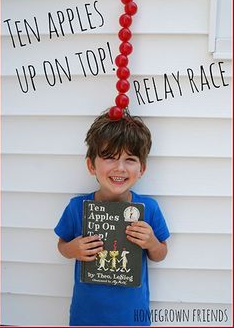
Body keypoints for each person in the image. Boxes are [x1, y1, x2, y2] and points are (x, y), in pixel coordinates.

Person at [54, 110, 170, 326]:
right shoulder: (77, 207)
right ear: (91, 166)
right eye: (109, 157)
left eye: (130, 159)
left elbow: (161, 253)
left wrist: (152, 242)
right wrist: (73, 249)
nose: (120, 168)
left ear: (142, 169)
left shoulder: (149, 208)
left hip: (132, 316)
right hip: (86, 315)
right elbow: (61, 245)